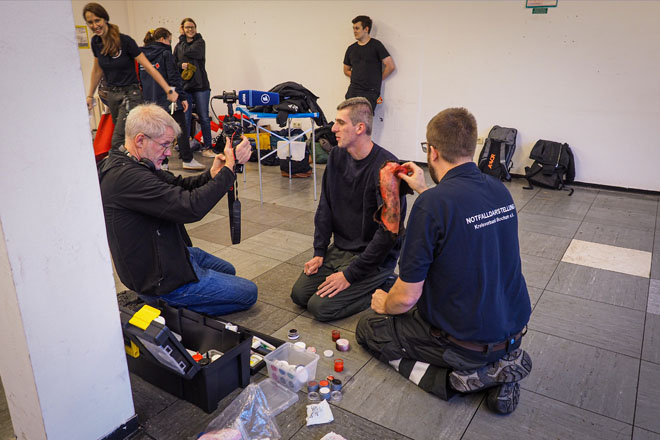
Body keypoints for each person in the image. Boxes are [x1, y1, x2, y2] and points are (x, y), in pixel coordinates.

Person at [355, 108, 533, 414]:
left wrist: (386, 304)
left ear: (432, 151)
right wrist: (425, 191)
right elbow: (459, 219)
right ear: (472, 147)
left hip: (463, 343)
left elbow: (406, 298)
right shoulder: (499, 190)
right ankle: (501, 367)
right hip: (512, 329)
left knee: (369, 327)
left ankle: (463, 379)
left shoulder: (431, 207)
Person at [98, 104, 257, 315]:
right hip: (160, 281)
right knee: (249, 293)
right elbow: (189, 207)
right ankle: (169, 308)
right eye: (164, 145)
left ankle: (189, 294)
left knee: (229, 270)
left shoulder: (131, 162)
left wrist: (213, 174)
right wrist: (229, 170)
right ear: (140, 139)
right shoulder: (127, 178)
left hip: (171, 255)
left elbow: (179, 185)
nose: (169, 152)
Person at [290, 97, 406, 321]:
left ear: (360, 127)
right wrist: (319, 252)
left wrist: (350, 276)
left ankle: (384, 284)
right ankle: (350, 277)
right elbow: (325, 206)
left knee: (320, 308)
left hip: (375, 258)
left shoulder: (387, 168)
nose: (333, 128)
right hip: (342, 249)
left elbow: (387, 236)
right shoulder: (336, 156)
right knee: (299, 295)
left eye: (340, 123)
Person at [83, 3, 178, 150]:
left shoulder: (125, 41)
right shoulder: (96, 43)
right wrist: (90, 95)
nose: (94, 25)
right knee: (127, 139)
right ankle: (136, 167)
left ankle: (123, 170)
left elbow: (148, 66)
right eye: (90, 22)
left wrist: (168, 90)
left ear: (105, 19)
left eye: (97, 20)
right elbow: (97, 70)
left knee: (118, 140)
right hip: (112, 94)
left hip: (130, 94)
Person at [141, 27, 206, 171]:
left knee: (157, 132)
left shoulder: (142, 55)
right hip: (169, 99)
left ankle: (161, 162)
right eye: (169, 40)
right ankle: (187, 159)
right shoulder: (165, 53)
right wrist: (182, 97)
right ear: (163, 39)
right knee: (180, 128)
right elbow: (174, 77)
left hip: (150, 100)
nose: (170, 43)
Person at [174, 18, 214, 157]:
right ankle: (184, 147)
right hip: (185, 87)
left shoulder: (199, 43)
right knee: (185, 118)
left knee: (203, 117)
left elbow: (189, 52)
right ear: (183, 28)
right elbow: (174, 63)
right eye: (187, 27)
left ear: (195, 28)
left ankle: (208, 148)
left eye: (192, 27)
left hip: (201, 86)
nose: (190, 30)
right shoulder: (178, 46)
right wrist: (180, 65)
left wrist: (181, 38)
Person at [343, 15, 395, 114]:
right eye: (353, 28)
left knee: (364, 120)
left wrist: (377, 78)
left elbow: (390, 66)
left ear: (366, 29)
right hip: (353, 90)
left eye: (357, 28)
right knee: (349, 120)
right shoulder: (351, 49)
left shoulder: (376, 46)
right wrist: (356, 76)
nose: (354, 31)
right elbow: (346, 69)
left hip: (370, 92)